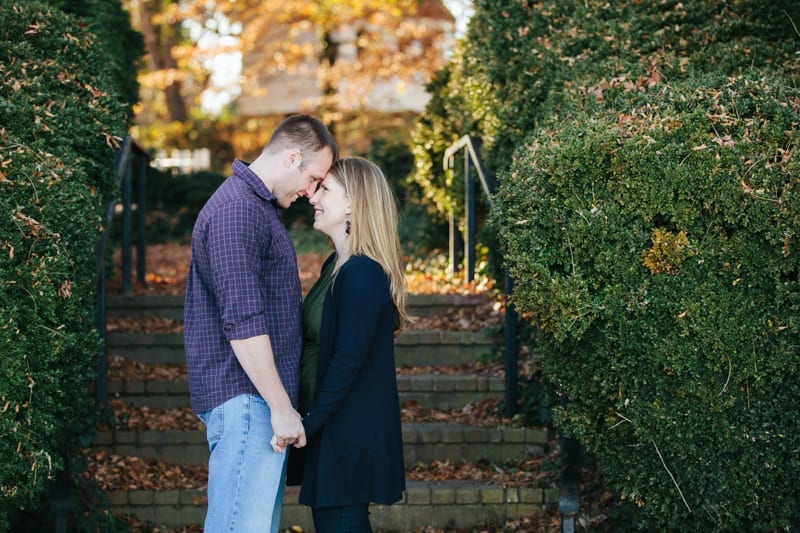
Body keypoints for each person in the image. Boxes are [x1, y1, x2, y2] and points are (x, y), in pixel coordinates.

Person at [183, 114, 338, 533]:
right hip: (249, 402)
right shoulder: (238, 211)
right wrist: (281, 407)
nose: (312, 191)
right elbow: (243, 320)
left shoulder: (256, 208)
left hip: (254, 403)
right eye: (314, 177)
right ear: (292, 157)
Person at [289, 157, 410, 533]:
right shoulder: (335, 266)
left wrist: (311, 423)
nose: (313, 197)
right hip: (332, 428)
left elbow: (348, 360)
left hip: (346, 433)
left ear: (353, 204)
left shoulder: (362, 272)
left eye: (325, 189)